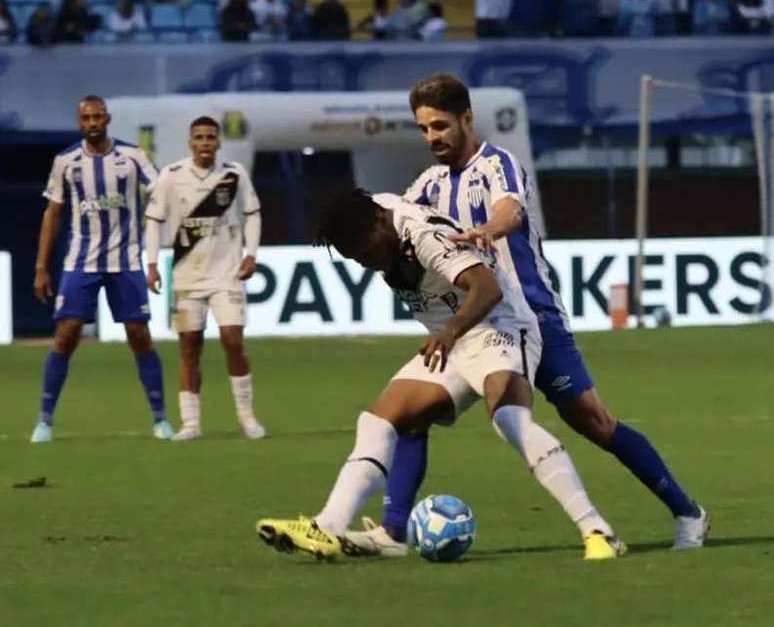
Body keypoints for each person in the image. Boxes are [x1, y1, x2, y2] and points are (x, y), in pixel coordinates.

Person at [345, 74, 709, 556]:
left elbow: (510, 212)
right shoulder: (429, 185)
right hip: (479, 322)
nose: (432, 136)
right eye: (424, 128)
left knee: (595, 423)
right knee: (414, 414)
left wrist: (485, 231)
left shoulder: (498, 164)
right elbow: (399, 223)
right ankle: (392, 531)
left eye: (440, 125)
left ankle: (687, 512)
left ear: (466, 119)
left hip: (533, 315)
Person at [257, 190, 626, 561]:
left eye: (368, 252)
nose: (369, 263)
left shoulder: (423, 238)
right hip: (452, 339)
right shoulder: (375, 211)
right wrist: (449, 335)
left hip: (499, 324)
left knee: (509, 418)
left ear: (380, 223)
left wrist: (450, 331)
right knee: (378, 421)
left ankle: (597, 530)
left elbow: (487, 289)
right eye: (358, 259)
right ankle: (329, 528)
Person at [30, 96, 173, 443]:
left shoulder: (132, 156)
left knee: (139, 335)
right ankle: (45, 421)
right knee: (67, 334)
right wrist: (41, 267)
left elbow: (160, 192)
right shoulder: (66, 161)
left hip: (125, 260)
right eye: (86, 118)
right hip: (81, 260)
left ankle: (160, 419)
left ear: (107, 119)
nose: (92, 122)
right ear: (79, 123)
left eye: (98, 117)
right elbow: (53, 213)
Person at [144, 117, 265, 442]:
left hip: (227, 275)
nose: (205, 142)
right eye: (199, 137)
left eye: (210, 137)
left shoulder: (234, 174)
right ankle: (191, 424)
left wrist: (251, 253)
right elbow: (154, 220)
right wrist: (152, 263)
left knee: (232, 340)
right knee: (188, 346)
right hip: (185, 276)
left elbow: (252, 213)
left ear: (218, 142)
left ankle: (246, 416)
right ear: (190, 142)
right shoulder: (171, 176)